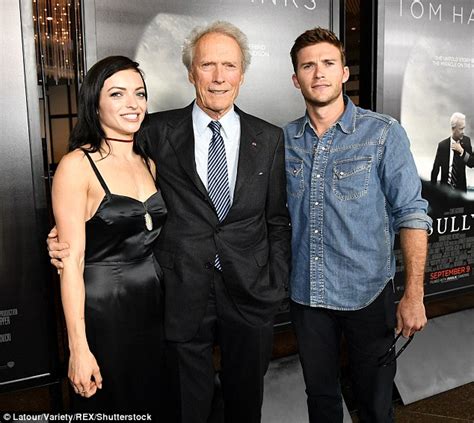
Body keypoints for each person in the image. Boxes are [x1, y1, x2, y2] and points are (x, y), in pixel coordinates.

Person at [50, 22, 290, 422]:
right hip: (178, 296)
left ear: (242, 74)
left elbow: (277, 221)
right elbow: (102, 190)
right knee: (184, 408)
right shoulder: (152, 132)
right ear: (190, 72)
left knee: (245, 406)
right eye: (207, 65)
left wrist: (275, 280)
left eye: (229, 66)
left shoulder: (269, 137)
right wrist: (62, 237)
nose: (218, 77)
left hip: (250, 294)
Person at [284, 28, 432, 422]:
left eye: (328, 63)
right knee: (321, 401)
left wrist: (414, 294)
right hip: (306, 297)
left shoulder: (383, 133)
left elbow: (412, 213)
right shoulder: (283, 140)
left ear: (344, 73)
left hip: (368, 294)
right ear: (295, 78)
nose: (319, 73)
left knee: (375, 405)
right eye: (308, 65)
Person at [51, 56, 167, 413]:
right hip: (103, 310)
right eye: (117, 94)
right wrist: (79, 348)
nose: (132, 104)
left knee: (154, 401)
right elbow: (71, 261)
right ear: (95, 104)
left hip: (153, 305)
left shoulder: (149, 162)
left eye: (140, 93)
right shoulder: (76, 166)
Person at [430, 112, 473, 192]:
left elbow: (471, 163)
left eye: (464, 128)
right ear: (453, 128)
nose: (463, 131)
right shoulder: (442, 145)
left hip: (461, 193)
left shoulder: (466, 142)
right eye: (461, 129)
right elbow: (435, 170)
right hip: (444, 192)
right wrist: (433, 192)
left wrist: (462, 151)